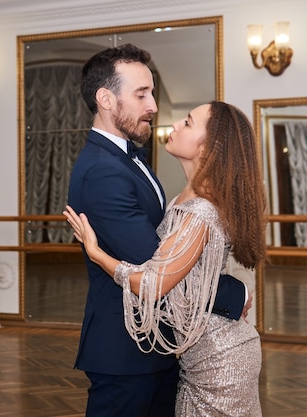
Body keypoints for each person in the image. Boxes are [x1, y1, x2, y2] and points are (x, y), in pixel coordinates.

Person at [67, 43, 251, 417]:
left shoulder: (129, 159)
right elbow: (157, 265)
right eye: (141, 94)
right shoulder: (104, 170)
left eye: (152, 92)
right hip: (126, 352)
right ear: (105, 98)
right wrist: (235, 293)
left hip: (157, 344)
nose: (153, 105)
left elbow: (173, 255)